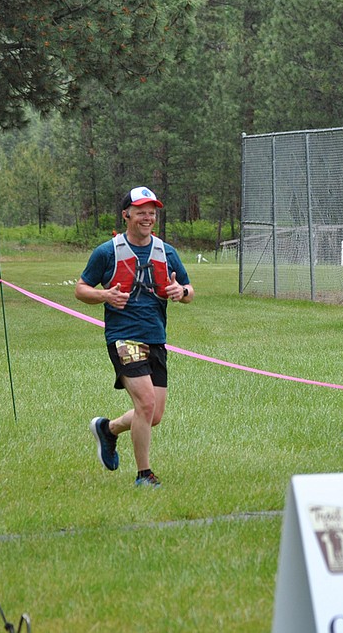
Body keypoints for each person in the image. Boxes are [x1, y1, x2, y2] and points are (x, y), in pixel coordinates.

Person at [76, 186, 192, 489]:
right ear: (126, 214)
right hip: (123, 337)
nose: (148, 217)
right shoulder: (107, 252)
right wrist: (104, 295)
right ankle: (144, 475)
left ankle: (109, 429)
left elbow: (190, 291)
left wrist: (182, 292)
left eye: (152, 212)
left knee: (153, 414)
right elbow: (81, 289)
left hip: (155, 337)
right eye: (141, 211)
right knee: (145, 402)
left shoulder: (166, 252)